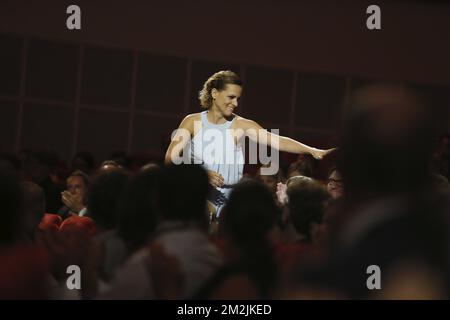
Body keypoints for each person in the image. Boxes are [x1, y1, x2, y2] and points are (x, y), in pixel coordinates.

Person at [165, 70, 334, 214]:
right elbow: (170, 159)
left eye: (238, 98)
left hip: (230, 205)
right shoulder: (191, 121)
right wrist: (202, 175)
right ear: (214, 93)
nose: (236, 103)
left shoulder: (242, 124)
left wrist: (312, 150)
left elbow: (277, 141)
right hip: (198, 200)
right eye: (231, 97)